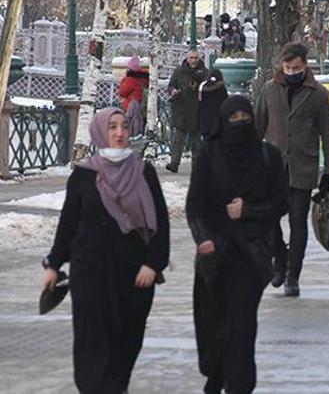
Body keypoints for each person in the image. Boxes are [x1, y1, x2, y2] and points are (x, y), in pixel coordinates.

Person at [43, 107, 170, 393]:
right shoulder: (84, 175)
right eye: (112, 127)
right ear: (100, 131)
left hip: (133, 273)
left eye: (124, 126)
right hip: (90, 270)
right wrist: (53, 264)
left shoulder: (143, 172)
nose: (119, 133)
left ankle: (116, 385)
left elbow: (160, 223)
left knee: (127, 337)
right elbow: (68, 223)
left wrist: (153, 264)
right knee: (91, 339)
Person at [187, 96, 288, 394]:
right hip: (215, 255)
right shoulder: (209, 154)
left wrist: (249, 210)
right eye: (234, 117)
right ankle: (217, 378)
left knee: (241, 328)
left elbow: (281, 203)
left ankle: (240, 386)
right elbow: (195, 203)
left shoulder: (267, 156)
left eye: (246, 116)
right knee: (213, 327)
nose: (241, 121)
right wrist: (202, 237)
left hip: (253, 254)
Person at [254, 42, 329, 296]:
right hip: (273, 168)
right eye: (287, 68)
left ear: (305, 64)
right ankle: (280, 258)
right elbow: (257, 128)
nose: (291, 72)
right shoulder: (269, 90)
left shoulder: (319, 94)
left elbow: (328, 135)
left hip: (303, 166)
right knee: (267, 219)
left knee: (297, 222)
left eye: (296, 67)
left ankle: (292, 276)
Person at [167, 50, 208, 173]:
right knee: (178, 139)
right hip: (182, 108)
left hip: (197, 109)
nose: (194, 60)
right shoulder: (179, 71)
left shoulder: (204, 72)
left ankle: (197, 166)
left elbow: (208, 87)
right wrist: (173, 91)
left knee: (197, 141)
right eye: (191, 58)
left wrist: (199, 88)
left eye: (196, 58)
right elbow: (170, 85)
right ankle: (174, 163)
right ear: (187, 58)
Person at [118, 55, 149, 136]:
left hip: (131, 107)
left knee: (130, 127)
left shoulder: (131, 79)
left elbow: (122, 92)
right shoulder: (144, 77)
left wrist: (124, 80)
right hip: (143, 106)